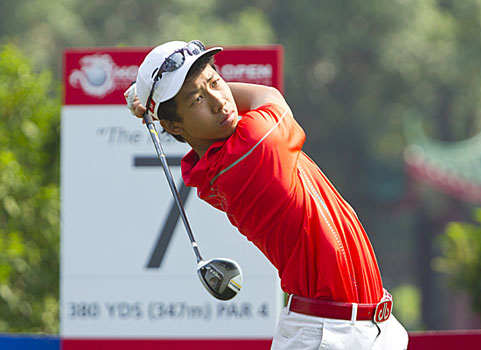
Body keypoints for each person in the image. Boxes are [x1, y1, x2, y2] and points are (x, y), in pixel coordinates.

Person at [125, 39, 409, 350]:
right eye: (196, 100)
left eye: (216, 82)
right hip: (330, 335)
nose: (220, 102)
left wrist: (164, 100)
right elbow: (268, 96)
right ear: (173, 126)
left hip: (365, 327)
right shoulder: (249, 150)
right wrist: (157, 101)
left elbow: (227, 105)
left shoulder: (220, 158)